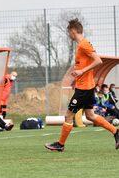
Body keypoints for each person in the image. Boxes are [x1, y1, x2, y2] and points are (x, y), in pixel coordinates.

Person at [45, 19, 119, 151]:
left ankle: (60, 144)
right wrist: (80, 71)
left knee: (68, 115)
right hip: (86, 87)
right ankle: (116, 132)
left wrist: (82, 71)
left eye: (69, 32)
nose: (69, 35)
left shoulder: (84, 44)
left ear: (73, 31)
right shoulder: (81, 45)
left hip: (84, 89)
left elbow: (98, 60)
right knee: (90, 115)